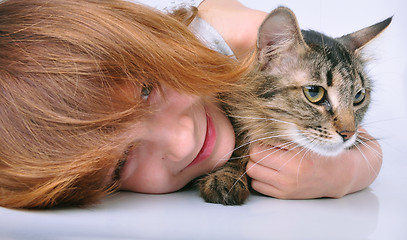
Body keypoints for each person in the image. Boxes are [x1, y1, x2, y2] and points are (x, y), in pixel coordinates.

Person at [0, 0, 382, 209]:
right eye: (122, 162)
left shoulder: (224, 40)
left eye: (147, 90)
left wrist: (345, 174)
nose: (184, 141)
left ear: (157, 41)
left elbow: (359, 138)